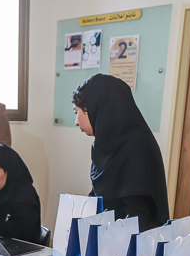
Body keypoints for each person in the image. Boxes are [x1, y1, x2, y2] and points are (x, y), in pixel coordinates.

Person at [72, 74, 169, 230]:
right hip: (109, 233)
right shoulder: (104, 144)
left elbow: (139, 216)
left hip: (131, 237)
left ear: (94, 108)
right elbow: (98, 197)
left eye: (76, 112)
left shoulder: (136, 145)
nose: (76, 122)